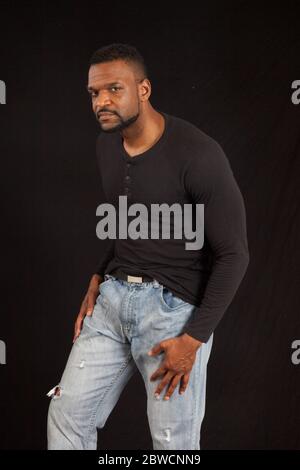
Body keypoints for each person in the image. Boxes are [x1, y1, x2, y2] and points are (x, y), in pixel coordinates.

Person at [47, 43, 249, 450]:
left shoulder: (198, 154)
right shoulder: (107, 145)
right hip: (112, 303)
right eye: (93, 93)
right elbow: (125, 224)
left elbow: (234, 255)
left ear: (143, 89)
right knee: (66, 416)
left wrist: (192, 341)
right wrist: (97, 276)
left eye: (114, 89)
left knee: (173, 445)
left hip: (172, 315)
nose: (102, 101)